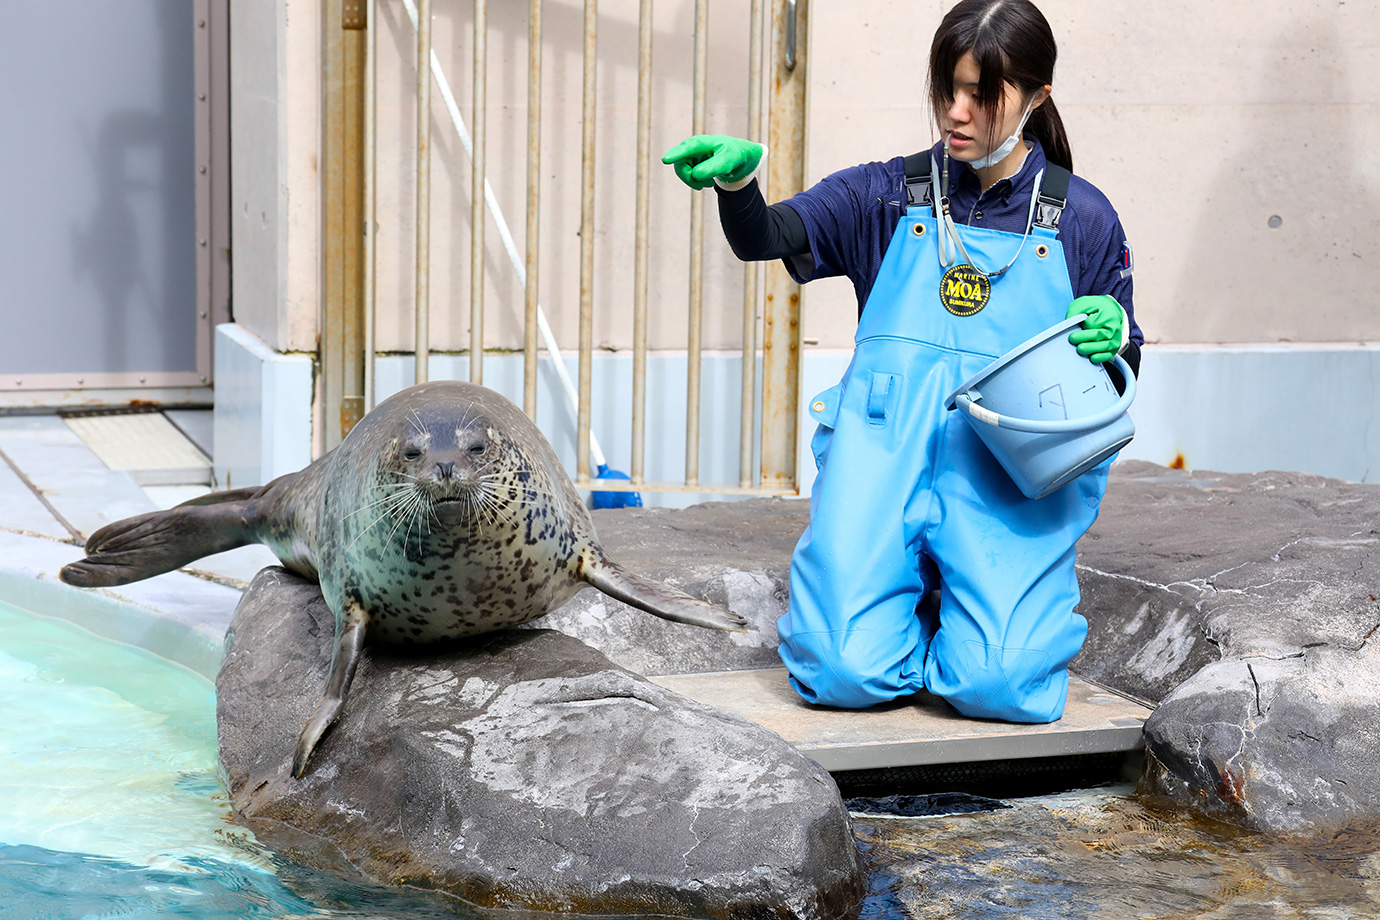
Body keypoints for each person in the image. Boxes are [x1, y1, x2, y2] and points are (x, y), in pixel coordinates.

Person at [662, 0, 1143, 723]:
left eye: (982, 95)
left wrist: (1115, 336)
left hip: (1004, 482)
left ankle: (963, 607)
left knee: (1001, 688)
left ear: (1036, 96)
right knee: (841, 671)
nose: (956, 111)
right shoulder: (887, 193)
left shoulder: (1081, 217)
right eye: (947, 88)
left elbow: (1120, 360)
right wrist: (741, 187)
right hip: (881, 461)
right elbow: (768, 235)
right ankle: (897, 600)